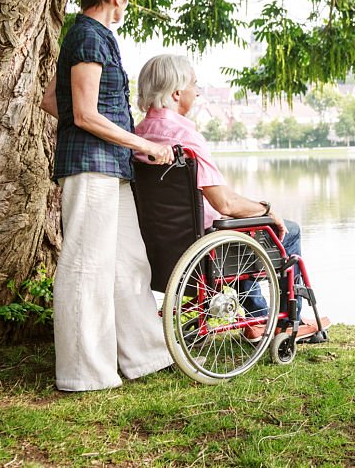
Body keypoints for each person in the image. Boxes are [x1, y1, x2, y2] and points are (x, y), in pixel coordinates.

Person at [40, 0, 175, 391]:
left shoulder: (91, 37)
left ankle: (145, 356)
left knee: (128, 262)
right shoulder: (88, 36)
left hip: (110, 168)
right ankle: (83, 374)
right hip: (90, 169)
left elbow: (50, 99)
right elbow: (82, 113)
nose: (126, 5)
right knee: (86, 266)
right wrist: (146, 144)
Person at [133, 54, 329, 341]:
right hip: (205, 252)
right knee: (285, 230)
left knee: (238, 232)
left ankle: (256, 318)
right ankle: (289, 324)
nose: (197, 92)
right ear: (176, 93)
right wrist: (266, 208)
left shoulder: (138, 135)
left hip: (161, 251)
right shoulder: (186, 137)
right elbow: (225, 204)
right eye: (194, 85)